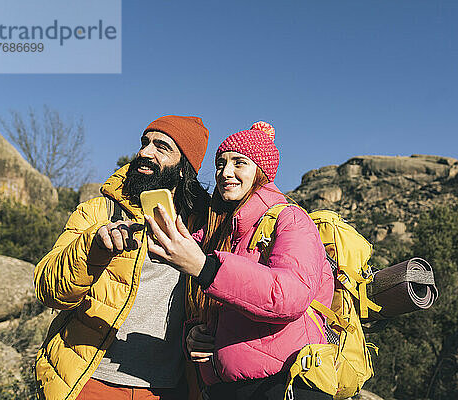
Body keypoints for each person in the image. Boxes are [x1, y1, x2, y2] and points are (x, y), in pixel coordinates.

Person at [144, 122, 335, 400]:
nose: (225, 173)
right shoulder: (216, 232)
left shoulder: (291, 219)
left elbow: (289, 296)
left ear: (260, 172)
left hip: (285, 385)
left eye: (239, 163)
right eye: (220, 164)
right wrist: (193, 336)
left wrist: (206, 268)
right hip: (225, 388)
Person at [34, 115, 210, 400]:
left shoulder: (203, 227)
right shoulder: (100, 210)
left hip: (166, 388)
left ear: (183, 168)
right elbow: (48, 289)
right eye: (144, 143)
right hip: (90, 381)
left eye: (161, 147)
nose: (144, 153)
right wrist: (94, 247)